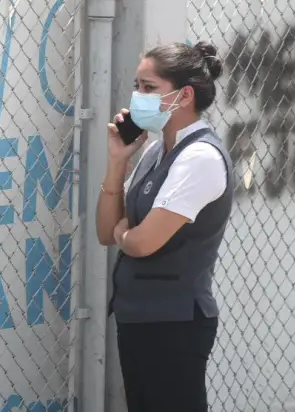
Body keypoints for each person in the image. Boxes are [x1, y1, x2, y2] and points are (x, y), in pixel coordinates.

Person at [95, 40, 233, 412]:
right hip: (139, 318)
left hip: (174, 325)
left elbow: (140, 242)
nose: (137, 97)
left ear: (184, 95)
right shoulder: (156, 151)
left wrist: (127, 233)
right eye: (137, 87)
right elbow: (106, 232)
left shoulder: (200, 157)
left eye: (149, 88)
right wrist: (118, 161)